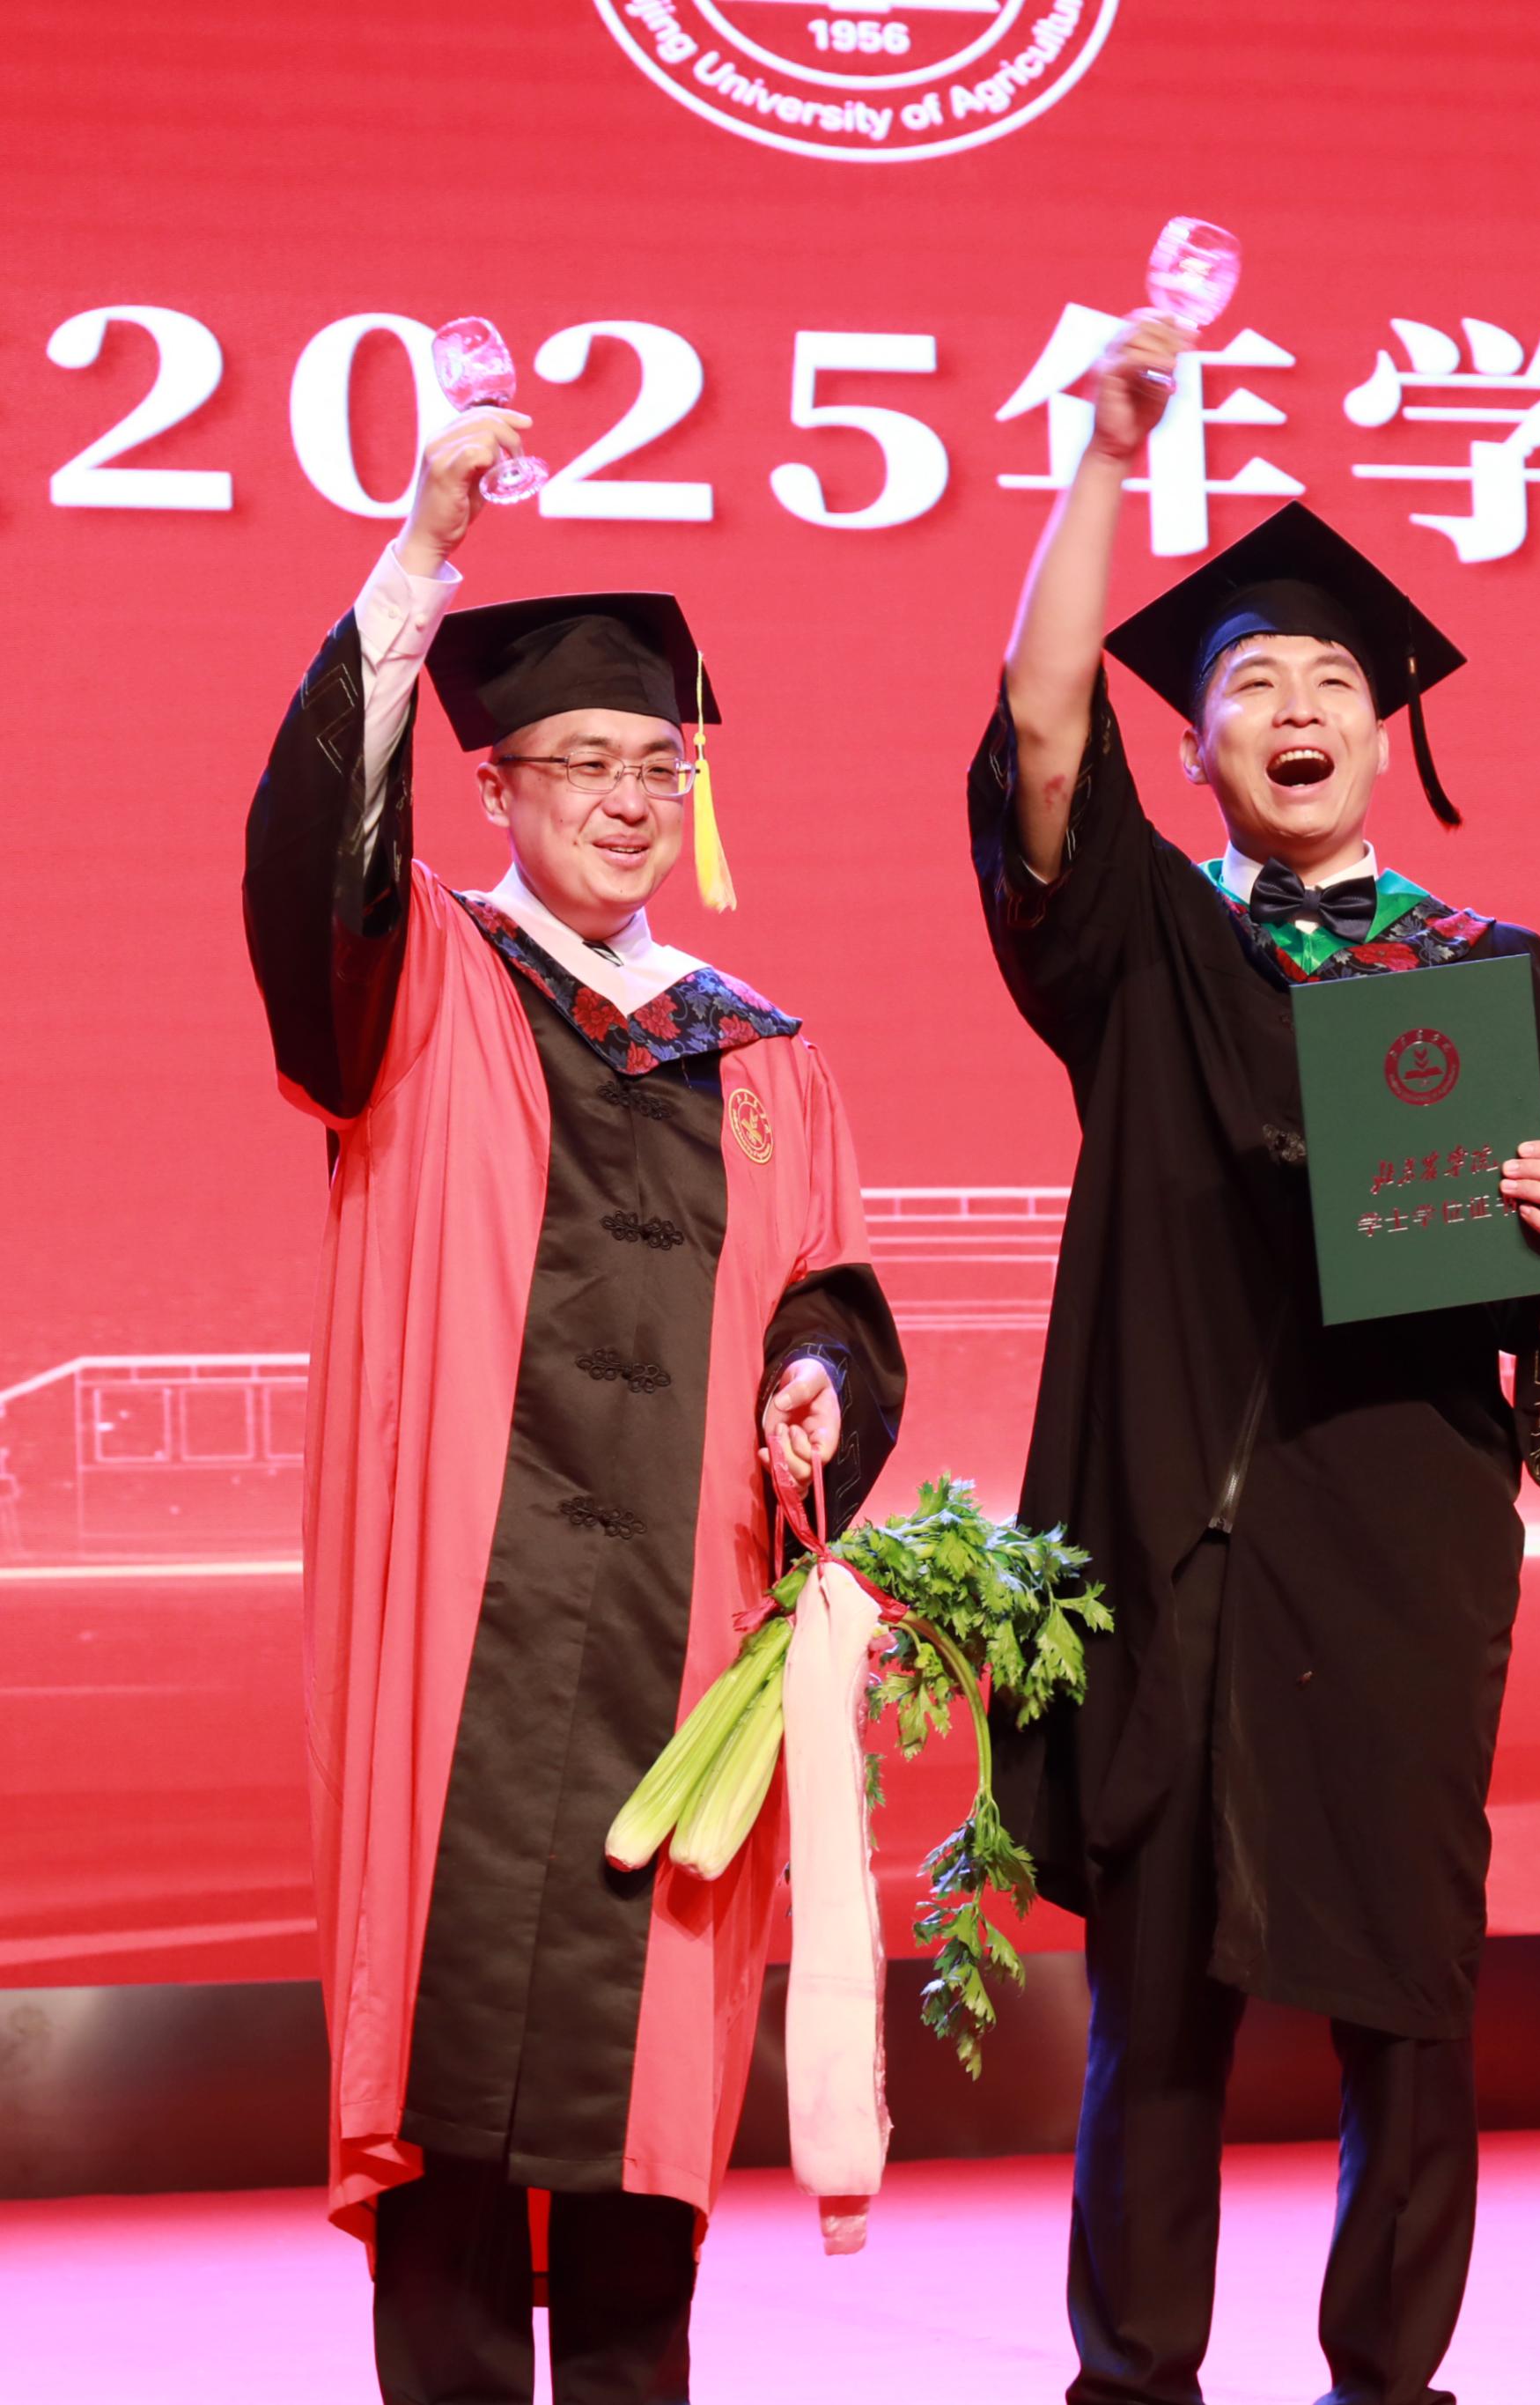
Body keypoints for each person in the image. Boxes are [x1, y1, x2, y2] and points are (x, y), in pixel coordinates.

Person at [969, 313, 1540, 2405]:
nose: (1292, 710)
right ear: (1192, 749)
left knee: (1407, 1993)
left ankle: (1389, 2376)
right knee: (1157, 2010)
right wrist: (1107, 458)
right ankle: (1133, 2377)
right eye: (1247, 687)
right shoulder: (1149, 954)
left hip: (1395, 1541)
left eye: (1329, 685)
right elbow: (1038, 740)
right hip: (1176, 1538)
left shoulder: (1484, 972)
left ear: (1386, 731)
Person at [244, 403, 906, 2405]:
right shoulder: (418, 986)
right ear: (496, 783)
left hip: (674, 1669)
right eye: (588, 764)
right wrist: (418, 553)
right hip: (466, 1658)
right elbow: (312, 860)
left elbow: (836, 1303)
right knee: (451, 2163)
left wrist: (815, 1386)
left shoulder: (765, 1055)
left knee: (637, 2184)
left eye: (661, 767)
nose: (630, 801)